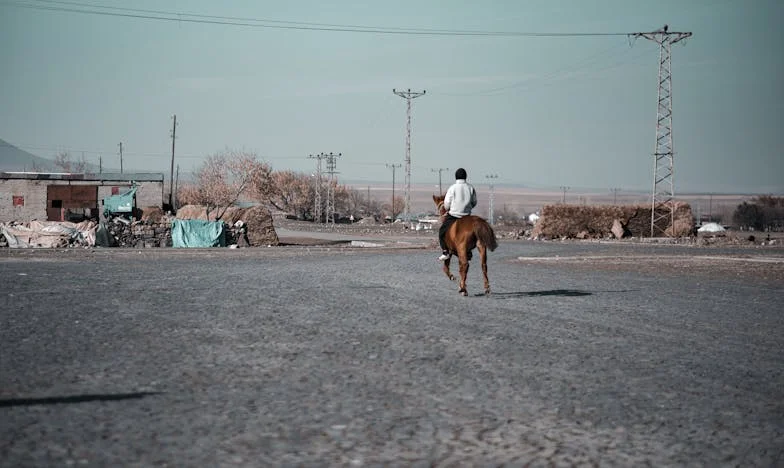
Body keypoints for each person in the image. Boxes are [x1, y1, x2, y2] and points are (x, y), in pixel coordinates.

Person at [438, 167, 477, 261]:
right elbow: (474, 202)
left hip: (454, 216)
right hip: (467, 216)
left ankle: (445, 252)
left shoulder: (452, 188)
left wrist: (448, 208)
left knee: (441, 232)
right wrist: (468, 207)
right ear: (466, 177)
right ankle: (469, 251)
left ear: (456, 177)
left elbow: (447, 204)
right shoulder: (471, 188)